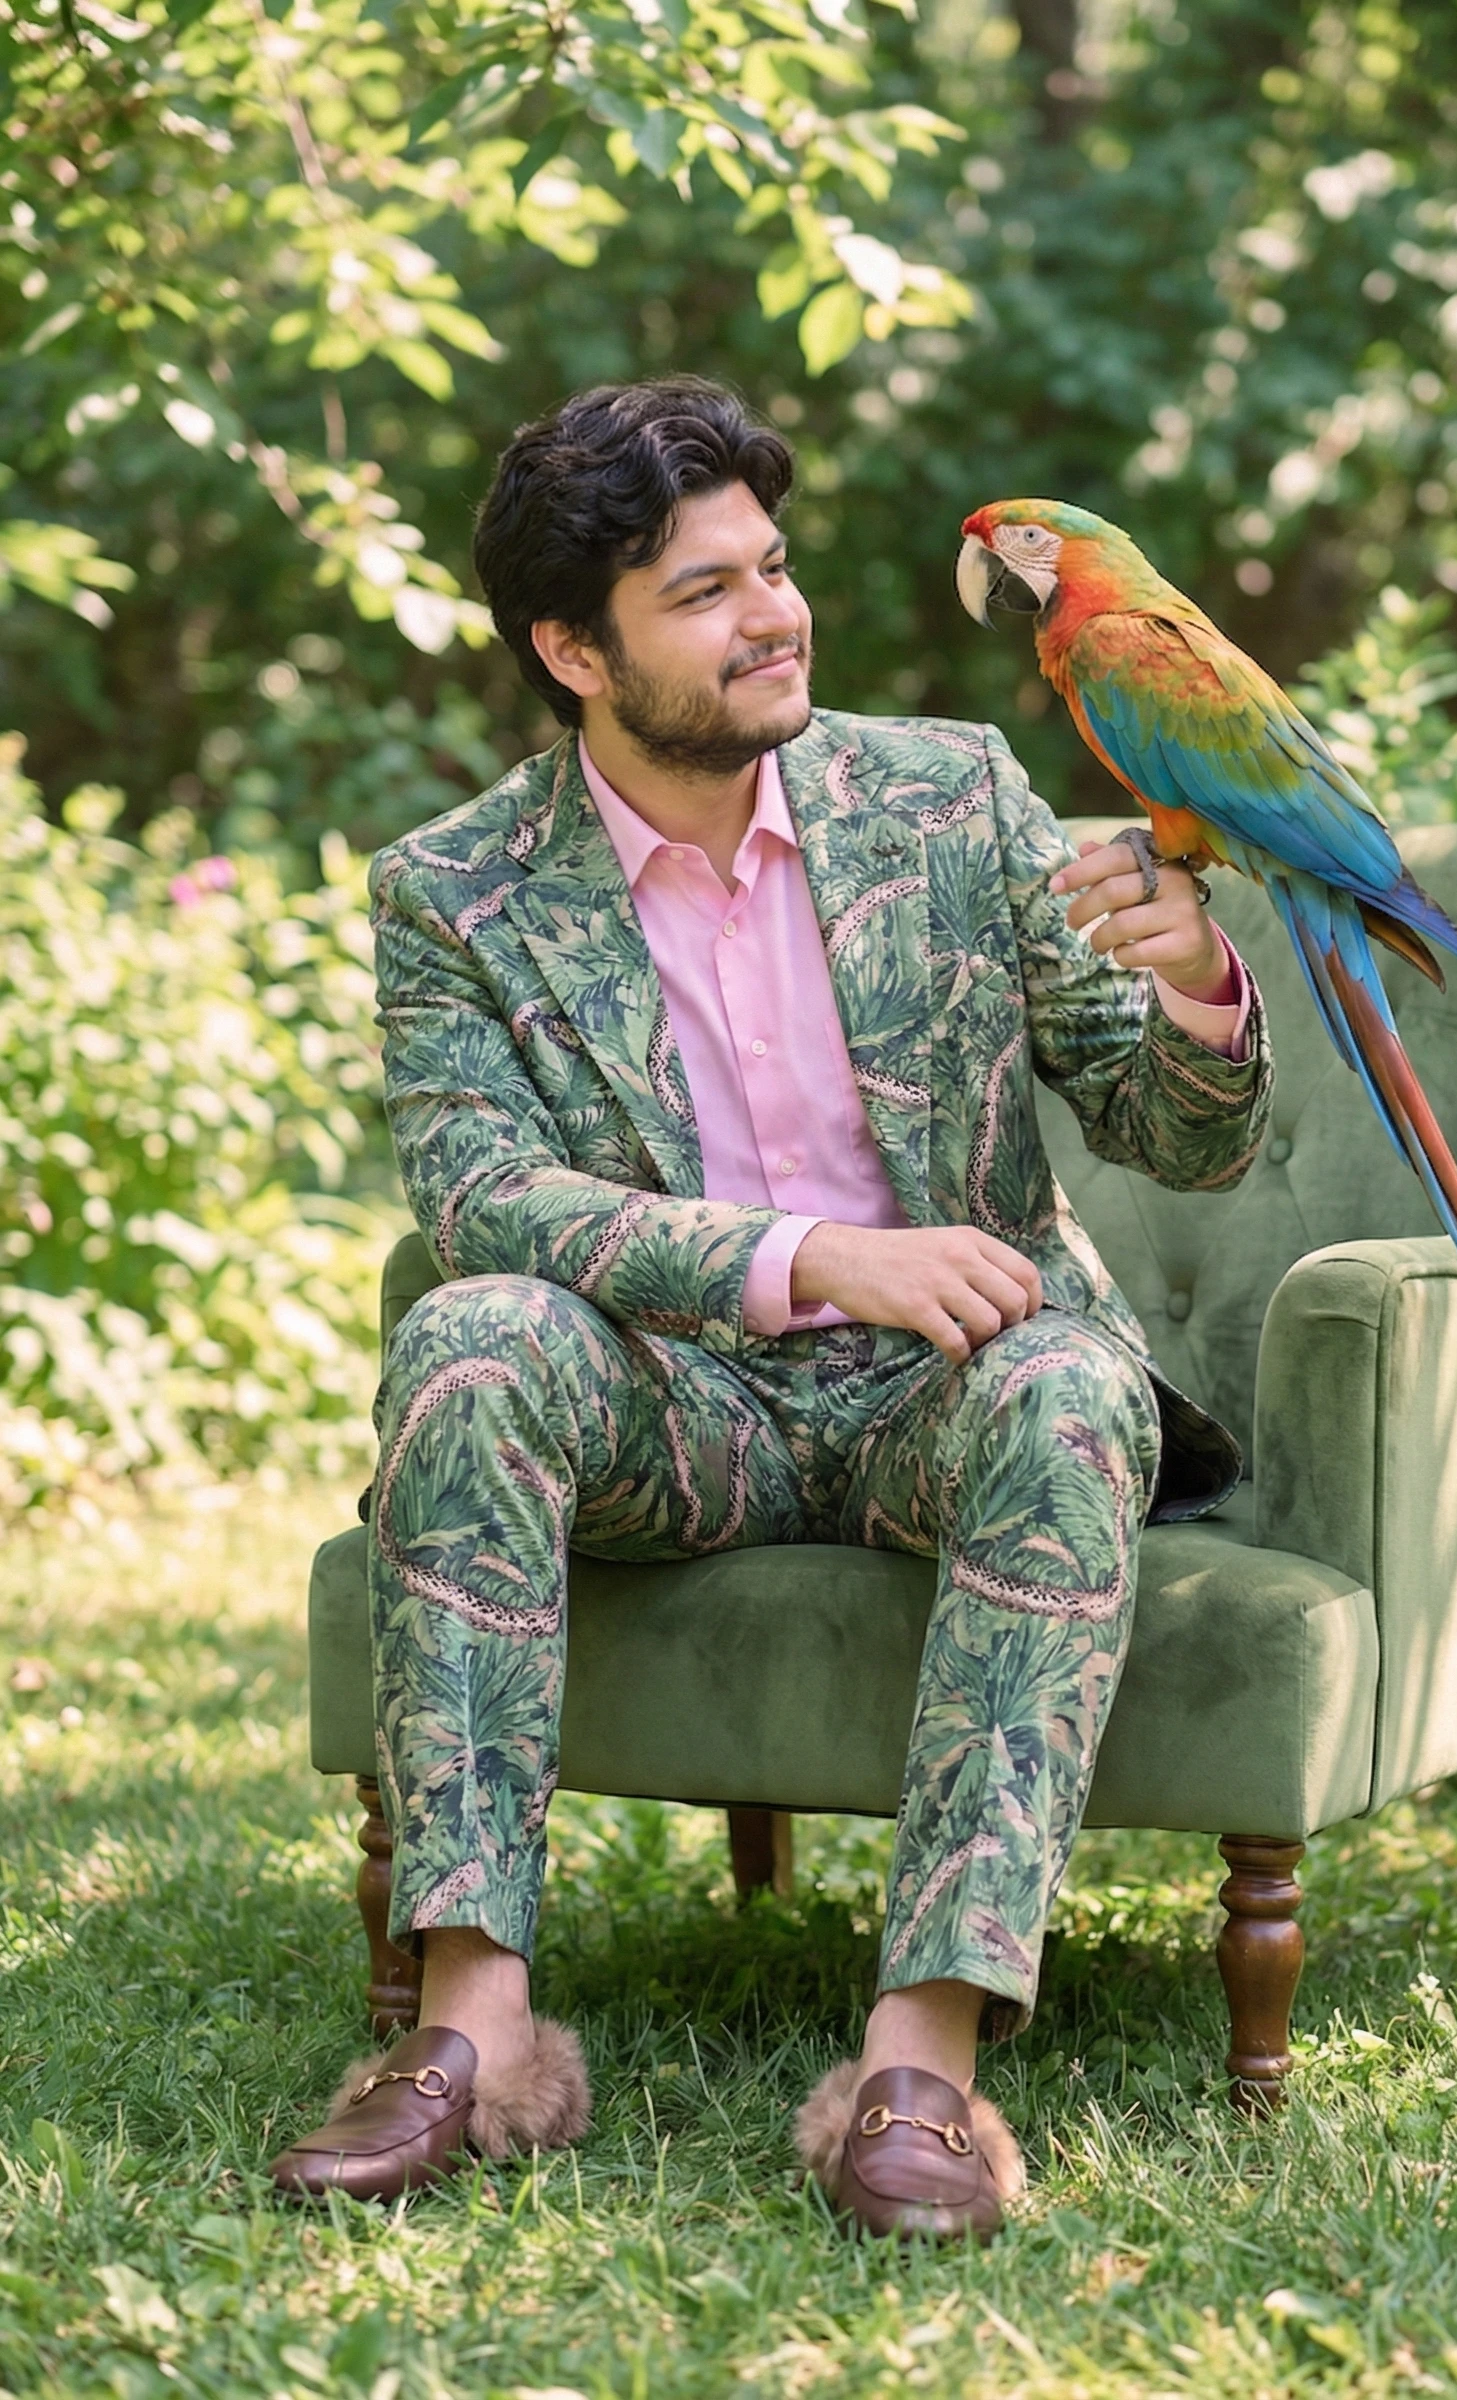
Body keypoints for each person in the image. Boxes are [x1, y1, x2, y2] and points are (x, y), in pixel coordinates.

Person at [270, 377, 1273, 2238]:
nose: (774, 616)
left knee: (1071, 1386)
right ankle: (473, 2031)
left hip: (949, 1386)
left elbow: (1174, 1134)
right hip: (681, 1405)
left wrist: (1202, 993)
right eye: (705, 592)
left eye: (775, 568)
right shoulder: (454, 893)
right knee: (470, 1340)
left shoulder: (950, 796)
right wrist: (810, 1255)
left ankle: (922, 2065)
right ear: (575, 651)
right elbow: (488, 1197)